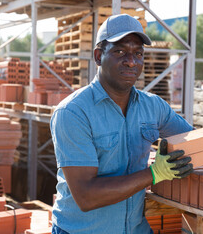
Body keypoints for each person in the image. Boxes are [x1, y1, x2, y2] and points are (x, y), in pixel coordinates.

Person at [50, 13, 194, 234]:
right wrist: (154, 174)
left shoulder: (153, 106)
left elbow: (193, 141)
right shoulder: (73, 112)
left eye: (138, 53)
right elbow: (86, 196)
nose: (131, 61)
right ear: (98, 56)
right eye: (120, 52)